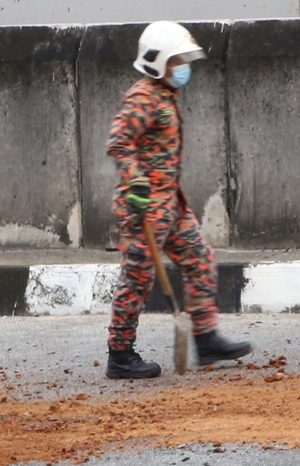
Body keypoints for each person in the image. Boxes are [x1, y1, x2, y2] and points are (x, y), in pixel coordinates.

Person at [105, 22, 251, 379]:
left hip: (169, 205)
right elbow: (119, 141)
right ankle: (120, 356)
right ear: (157, 62)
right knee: (137, 281)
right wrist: (137, 182)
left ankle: (206, 339)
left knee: (200, 259)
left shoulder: (165, 95)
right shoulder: (144, 96)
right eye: (177, 60)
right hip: (144, 208)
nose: (184, 66)